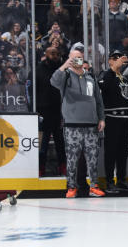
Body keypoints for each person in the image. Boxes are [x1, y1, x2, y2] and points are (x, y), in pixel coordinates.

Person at [50, 48, 106, 198]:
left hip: (91, 125)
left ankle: (94, 186)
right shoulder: (65, 76)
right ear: (69, 59)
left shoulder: (91, 77)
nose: (77, 60)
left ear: (83, 59)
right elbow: (53, 81)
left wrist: (101, 118)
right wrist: (64, 66)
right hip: (72, 125)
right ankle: (71, 187)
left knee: (93, 158)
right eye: (74, 58)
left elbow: (98, 100)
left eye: (79, 57)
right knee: (72, 159)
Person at [98, 51, 128, 192]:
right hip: (112, 119)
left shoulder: (125, 79)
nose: (119, 61)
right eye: (116, 58)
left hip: (125, 119)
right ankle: (109, 181)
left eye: (121, 58)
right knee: (111, 152)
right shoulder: (105, 75)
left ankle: (121, 179)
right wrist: (113, 69)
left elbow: (126, 96)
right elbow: (104, 88)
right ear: (110, 61)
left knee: (123, 152)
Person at [36, 47, 66, 176]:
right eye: (53, 53)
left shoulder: (63, 69)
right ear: (46, 54)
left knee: (61, 144)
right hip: (43, 113)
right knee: (42, 145)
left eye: (58, 53)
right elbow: (30, 89)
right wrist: (35, 109)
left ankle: (63, 168)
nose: (56, 56)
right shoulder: (38, 70)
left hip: (60, 113)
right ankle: (40, 169)